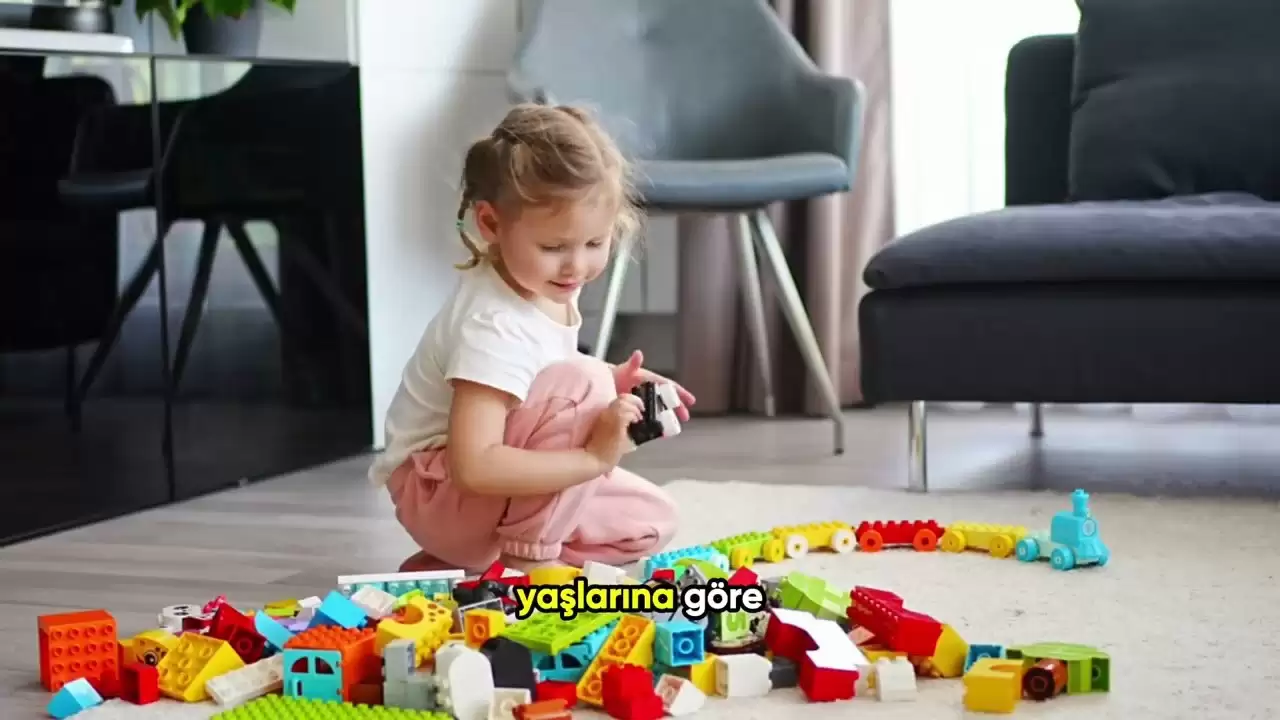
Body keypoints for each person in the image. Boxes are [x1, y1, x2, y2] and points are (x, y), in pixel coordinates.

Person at [368, 103, 692, 575]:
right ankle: (527, 561)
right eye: (554, 247)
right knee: (583, 384)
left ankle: (466, 564)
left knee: (649, 521)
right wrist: (592, 457)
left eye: (595, 243)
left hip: (479, 501)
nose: (576, 266)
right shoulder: (492, 324)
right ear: (490, 224)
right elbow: (474, 466)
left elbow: (535, 370)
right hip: (441, 493)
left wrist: (614, 378)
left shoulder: (545, 285)